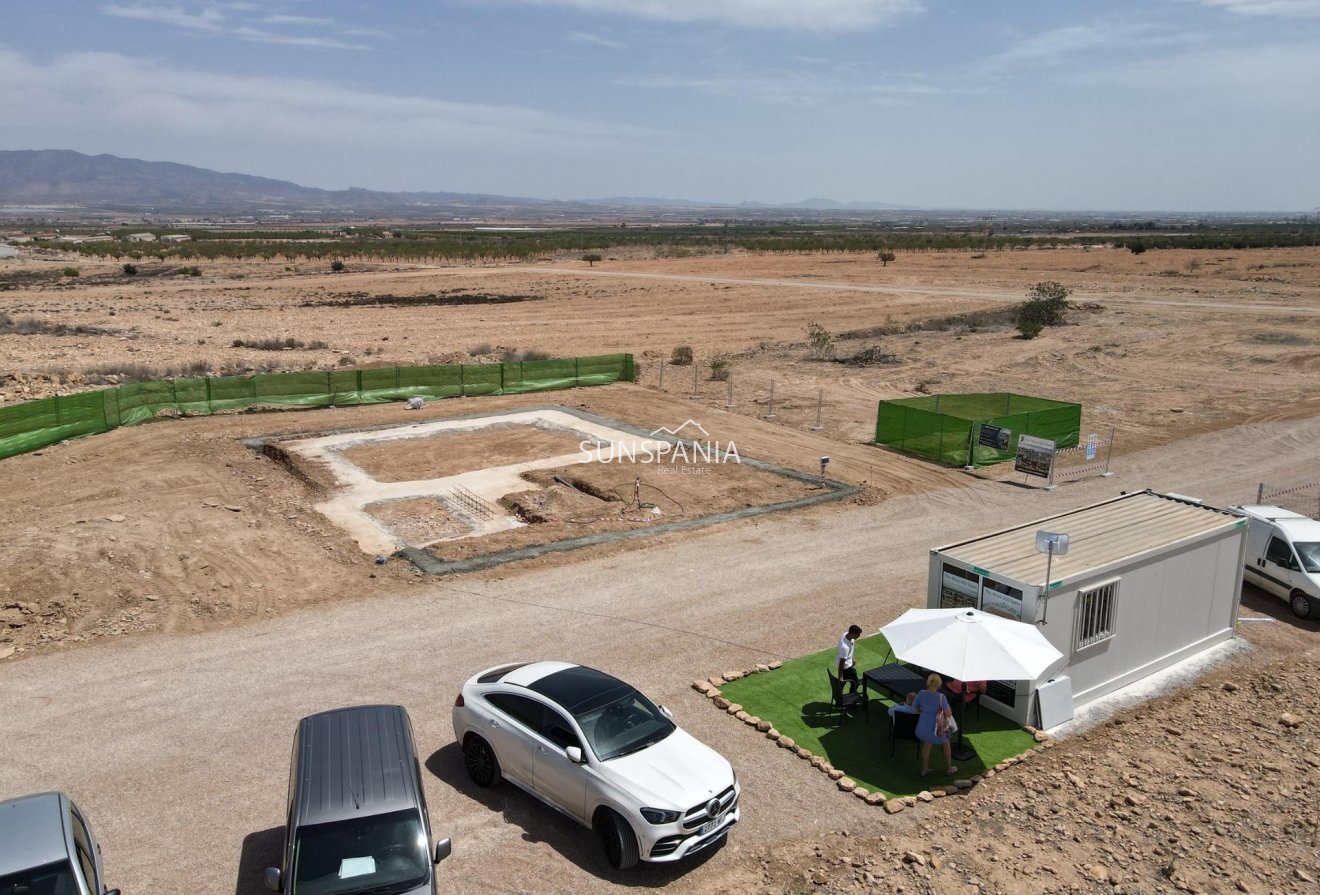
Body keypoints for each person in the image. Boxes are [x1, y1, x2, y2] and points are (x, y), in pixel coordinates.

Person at [913, 673, 958, 777]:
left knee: (926, 747)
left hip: (923, 727)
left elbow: (914, 708)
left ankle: (924, 769)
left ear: (928, 682)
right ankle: (949, 768)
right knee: (946, 745)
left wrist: (923, 711)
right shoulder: (941, 697)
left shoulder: (921, 693)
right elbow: (948, 714)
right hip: (939, 729)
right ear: (939, 685)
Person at [837, 624, 863, 695]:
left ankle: (839, 700)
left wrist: (852, 657)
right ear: (853, 634)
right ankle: (851, 696)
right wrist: (840, 677)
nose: (858, 636)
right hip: (846, 668)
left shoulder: (845, 634)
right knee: (855, 683)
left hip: (846, 665)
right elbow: (841, 663)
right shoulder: (845, 647)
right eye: (858, 635)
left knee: (841, 684)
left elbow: (851, 647)